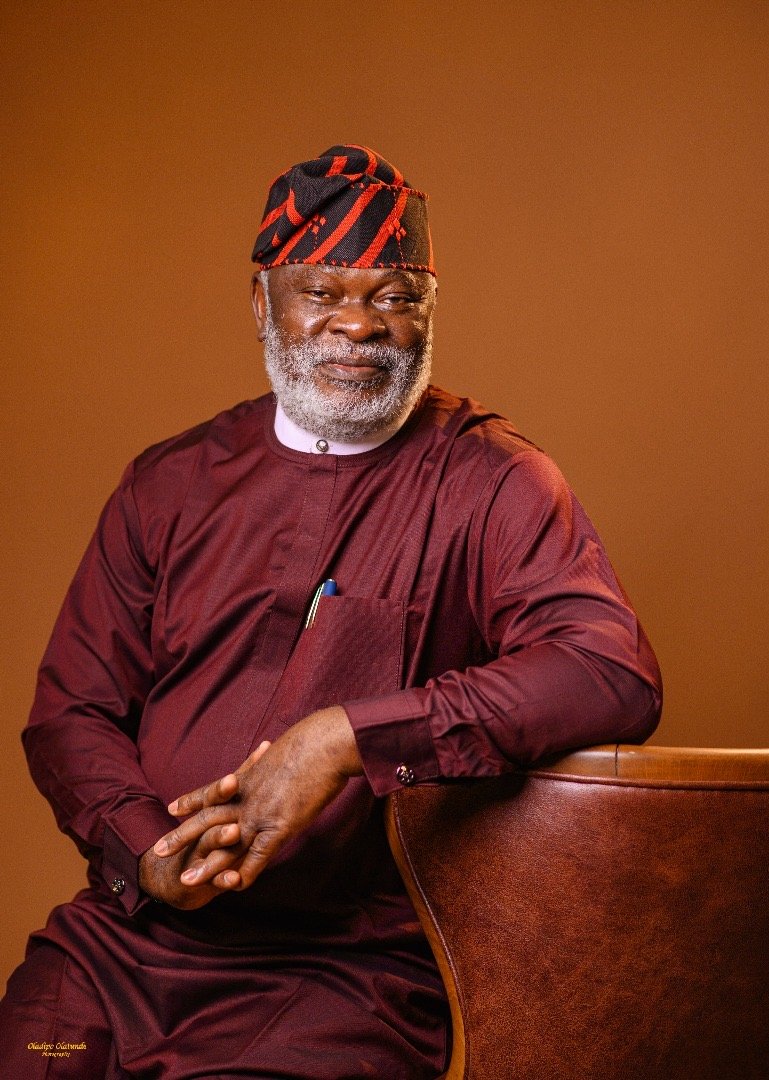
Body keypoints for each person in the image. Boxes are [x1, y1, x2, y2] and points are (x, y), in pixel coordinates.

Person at [1, 144, 662, 1079]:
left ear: (428, 312)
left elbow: (607, 672)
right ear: (262, 304)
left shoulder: (493, 481)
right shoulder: (169, 482)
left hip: (347, 971)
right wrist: (145, 849)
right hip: (127, 946)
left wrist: (348, 736)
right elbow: (72, 712)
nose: (358, 324)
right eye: (321, 292)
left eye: (395, 297)